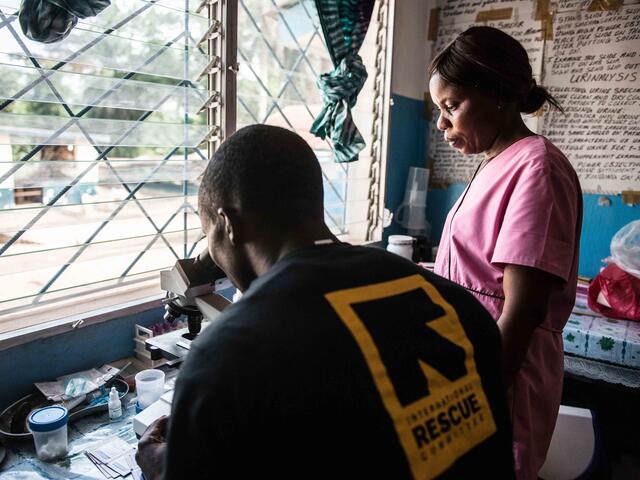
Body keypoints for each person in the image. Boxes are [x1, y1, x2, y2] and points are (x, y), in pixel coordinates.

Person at [136, 124, 515, 479]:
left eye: (210, 237)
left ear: (229, 224)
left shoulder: (228, 357)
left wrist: (163, 466)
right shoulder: (455, 304)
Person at [428, 26, 583, 480]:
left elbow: (523, 310)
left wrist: (481, 397)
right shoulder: (494, 163)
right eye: (440, 110)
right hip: (470, 367)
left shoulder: (537, 165)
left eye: (451, 106)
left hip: (502, 376)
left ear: (495, 93)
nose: (441, 123)